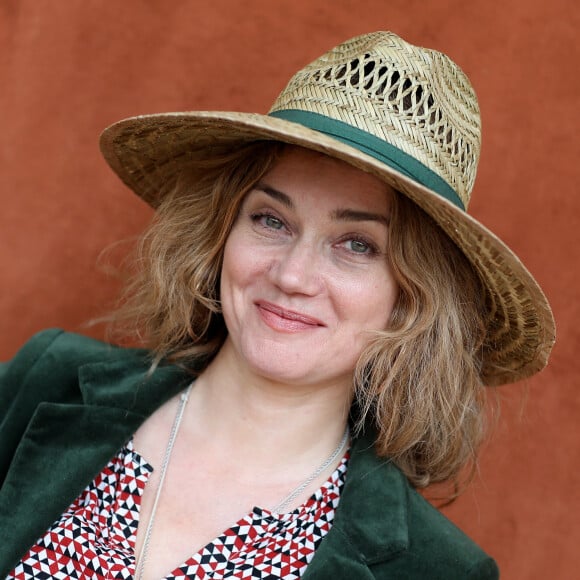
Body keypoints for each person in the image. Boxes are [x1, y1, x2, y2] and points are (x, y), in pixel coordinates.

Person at [0, 31, 555, 579]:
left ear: (412, 299)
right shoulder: (43, 381)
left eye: (356, 245)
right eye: (271, 220)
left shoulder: (434, 571)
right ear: (220, 232)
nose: (292, 275)